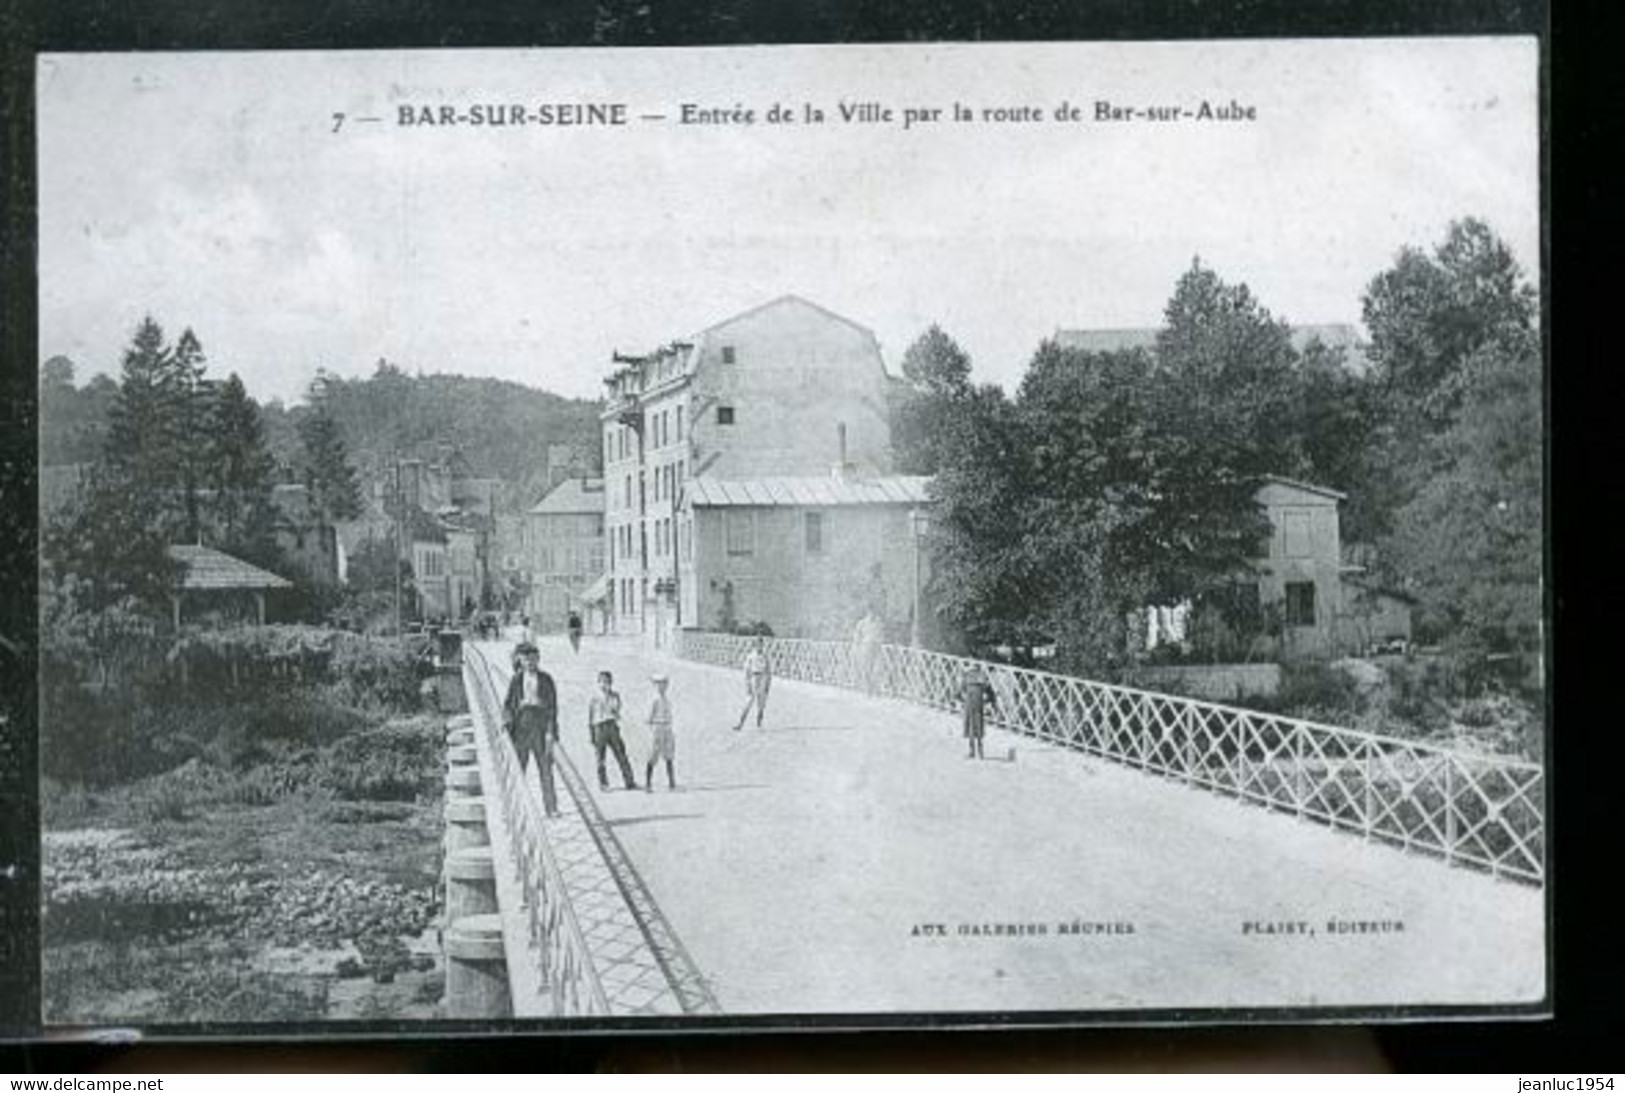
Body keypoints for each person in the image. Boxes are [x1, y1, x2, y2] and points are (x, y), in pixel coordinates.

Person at [503, 642, 561, 816]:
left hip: (540, 727)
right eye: (526, 659)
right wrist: (506, 723)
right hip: (521, 728)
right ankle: (514, 808)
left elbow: (553, 709)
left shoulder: (546, 679)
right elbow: (507, 705)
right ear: (520, 660)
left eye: (533, 659)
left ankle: (551, 808)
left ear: (538, 659)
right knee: (518, 769)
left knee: (545, 769)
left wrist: (551, 732)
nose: (530, 663)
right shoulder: (516, 680)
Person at [586, 670, 638, 792]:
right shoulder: (594, 698)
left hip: (611, 726)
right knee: (600, 757)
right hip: (599, 727)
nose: (604, 685)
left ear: (611, 683)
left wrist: (615, 707)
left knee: (621, 753)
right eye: (602, 682)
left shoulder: (615, 696)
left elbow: (617, 710)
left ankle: (629, 781)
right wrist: (592, 734)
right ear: (598, 683)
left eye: (607, 682)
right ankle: (603, 783)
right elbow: (590, 717)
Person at [645, 673, 678, 791]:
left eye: (663, 684)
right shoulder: (654, 700)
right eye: (658, 684)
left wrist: (669, 727)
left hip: (667, 727)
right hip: (657, 727)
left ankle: (671, 782)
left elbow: (670, 715)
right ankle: (648, 783)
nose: (661, 687)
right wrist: (653, 729)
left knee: (669, 755)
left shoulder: (667, 700)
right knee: (653, 755)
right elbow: (648, 717)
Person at [734, 636, 772, 731]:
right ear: (755, 645)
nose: (760, 646)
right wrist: (748, 685)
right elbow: (746, 671)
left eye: (761, 644)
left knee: (761, 704)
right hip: (754, 678)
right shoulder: (751, 656)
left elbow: (768, 671)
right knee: (748, 702)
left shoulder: (765, 656)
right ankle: (740, 724)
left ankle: (759, 724)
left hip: (763, 678)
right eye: (758, 644)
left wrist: (768, 685)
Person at [961, 661, 997, 760]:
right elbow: (989, 690)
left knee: (970, 725)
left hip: (969, 701)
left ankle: (972, 751)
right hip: (979, 702)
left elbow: (962, 689)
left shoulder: (966, 675)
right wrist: (991, 701)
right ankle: (980, 751)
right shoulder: (982, 676)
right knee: (979, 724)